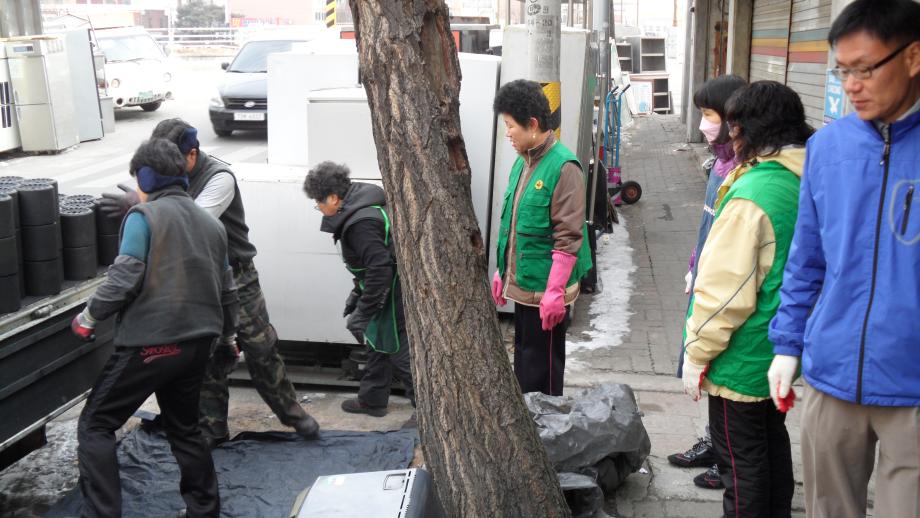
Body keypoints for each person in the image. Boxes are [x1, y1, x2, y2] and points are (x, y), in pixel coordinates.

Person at [768, 1, 920, 517]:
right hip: (832, 375)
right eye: (843, 70)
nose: (851, 84)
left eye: (866, 68)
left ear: (914, 56)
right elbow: (805, 260)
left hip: (913, 385)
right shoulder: (828, 148)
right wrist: (787, 345)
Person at [98, 119, 319, 447]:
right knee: (210, 356)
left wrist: (140, 203)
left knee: (261, 348)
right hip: (197, 281)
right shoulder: (167, 176)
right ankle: (212, 428)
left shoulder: (219, 178)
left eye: (173, 159)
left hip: (238, 278)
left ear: (192, 154)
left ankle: (293, 415)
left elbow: (191, 222)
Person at [71, 138, 237, 518]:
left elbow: (124, 276)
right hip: (199, 345)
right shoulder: (212, 225)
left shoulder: (143, 218)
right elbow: (228, 292)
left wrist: (88, 318)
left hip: (152, 345)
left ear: (145, 178)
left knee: (96, 424)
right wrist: (228, 338)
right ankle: (204, 511)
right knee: (185, 428)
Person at [682, 81, 813, 518]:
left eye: (731, 125)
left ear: (750, 131)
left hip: (742, 355)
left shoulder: (755, 193)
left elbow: (724, 292)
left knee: (742, 470)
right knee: (771, 454)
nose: (724, 134)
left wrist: (697, 352)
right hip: (777, 350)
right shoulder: (802, 178)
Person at [491, 79, 593, 396]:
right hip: (524, 286)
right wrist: (501, 272)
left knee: (542, 374)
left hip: (545, 293)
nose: (507, 133)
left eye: (510, 126)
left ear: (532, 124)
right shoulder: (524, 163)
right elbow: (513, 225)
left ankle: (547, 436)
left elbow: (568, 237)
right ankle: (531, 432)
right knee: (524, 363)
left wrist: (554, 292)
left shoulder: (564, 168)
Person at [669, 74, 746, 491]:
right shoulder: (719, 161)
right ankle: (714, 442)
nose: (704, 123)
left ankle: (726, 453)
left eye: (709, 114)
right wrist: (693, 264)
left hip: (724, 285)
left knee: (717, 368)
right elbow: (707, 223)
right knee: (704, 370)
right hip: (705, 274)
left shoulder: (742, 165)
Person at [302, 162, 415, 416]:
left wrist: (363, 312)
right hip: (383, 289)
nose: (318, 208)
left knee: (398, 350)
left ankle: (428, 413)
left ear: (333, 198)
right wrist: (357, 294)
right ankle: (372, 400)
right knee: (377, 342)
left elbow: (380, 270)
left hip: (391, 291)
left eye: (318, 202)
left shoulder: (361, 223)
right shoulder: (361, 201)